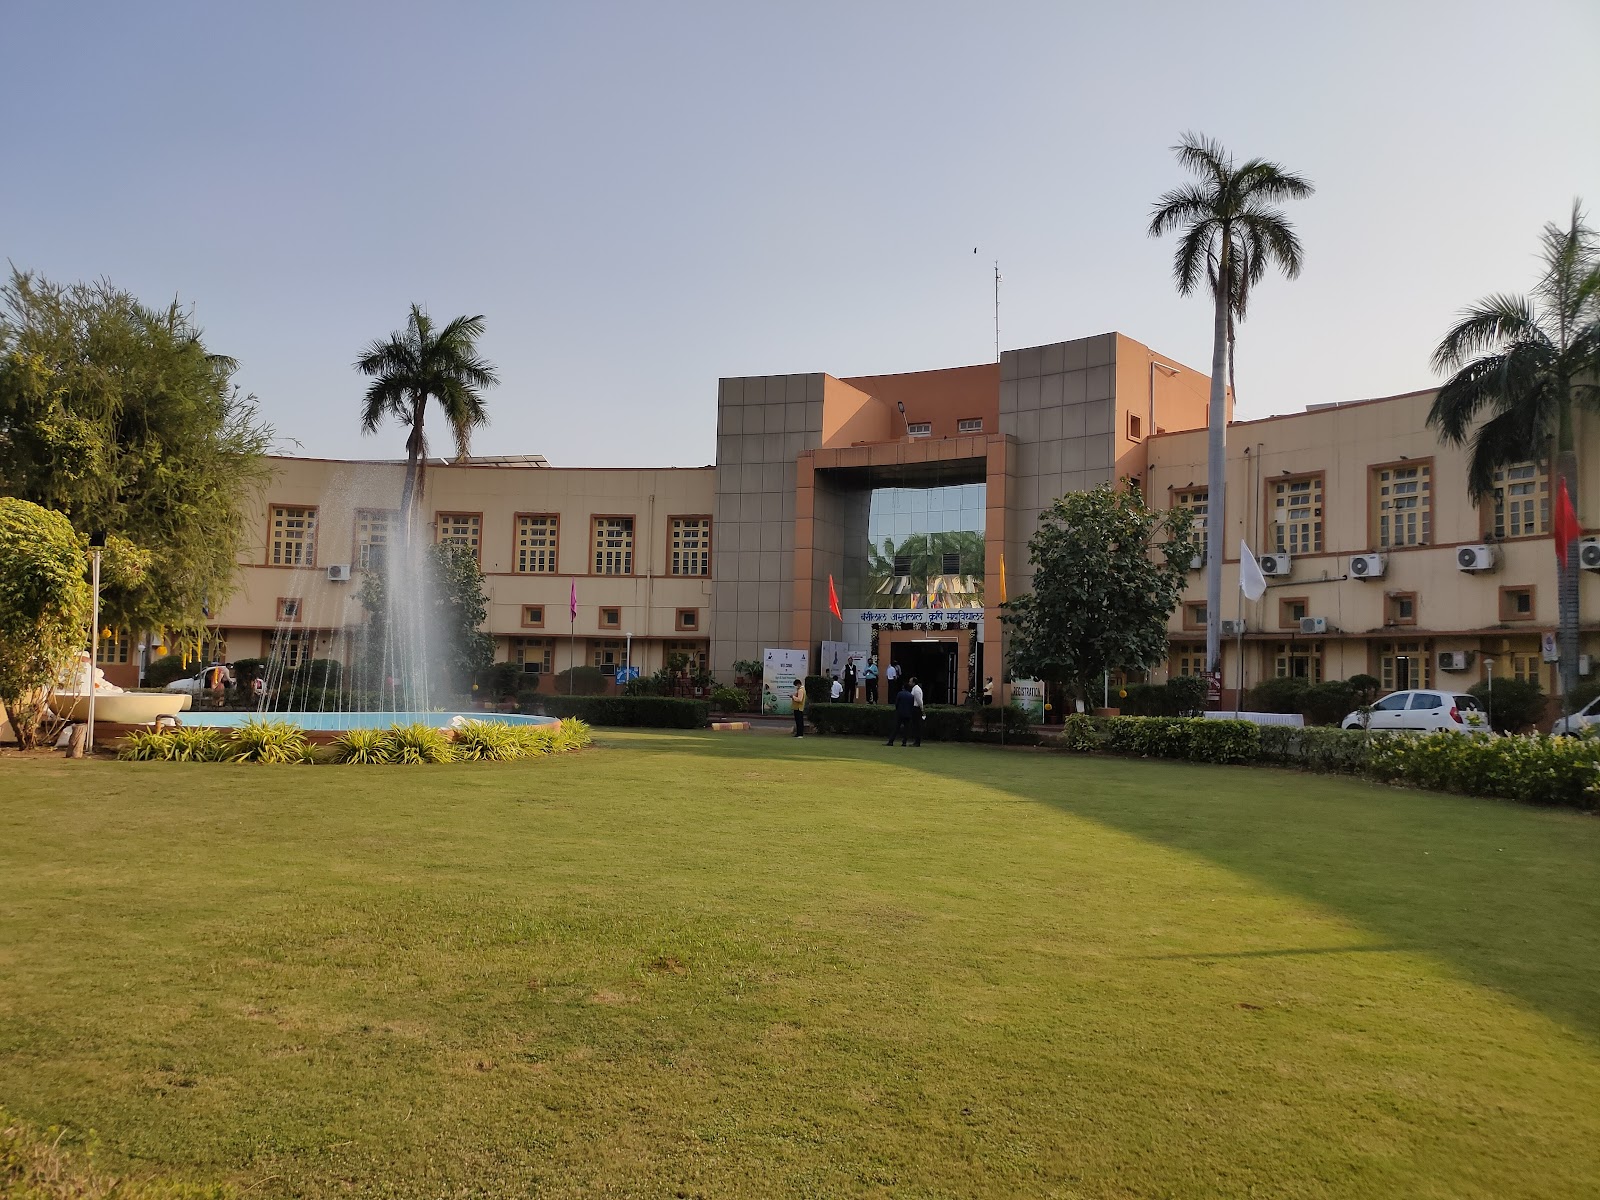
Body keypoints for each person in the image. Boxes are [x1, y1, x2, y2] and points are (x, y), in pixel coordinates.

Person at [886, 675, 921, 747]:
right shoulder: (911, 696)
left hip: (900, 713)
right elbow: (912, 705)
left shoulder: (900, 694)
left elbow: (897, 703)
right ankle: (904, 742)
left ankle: (891, 741)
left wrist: (897, 710)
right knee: (906, 728)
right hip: (908, 714)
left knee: (896, 727)